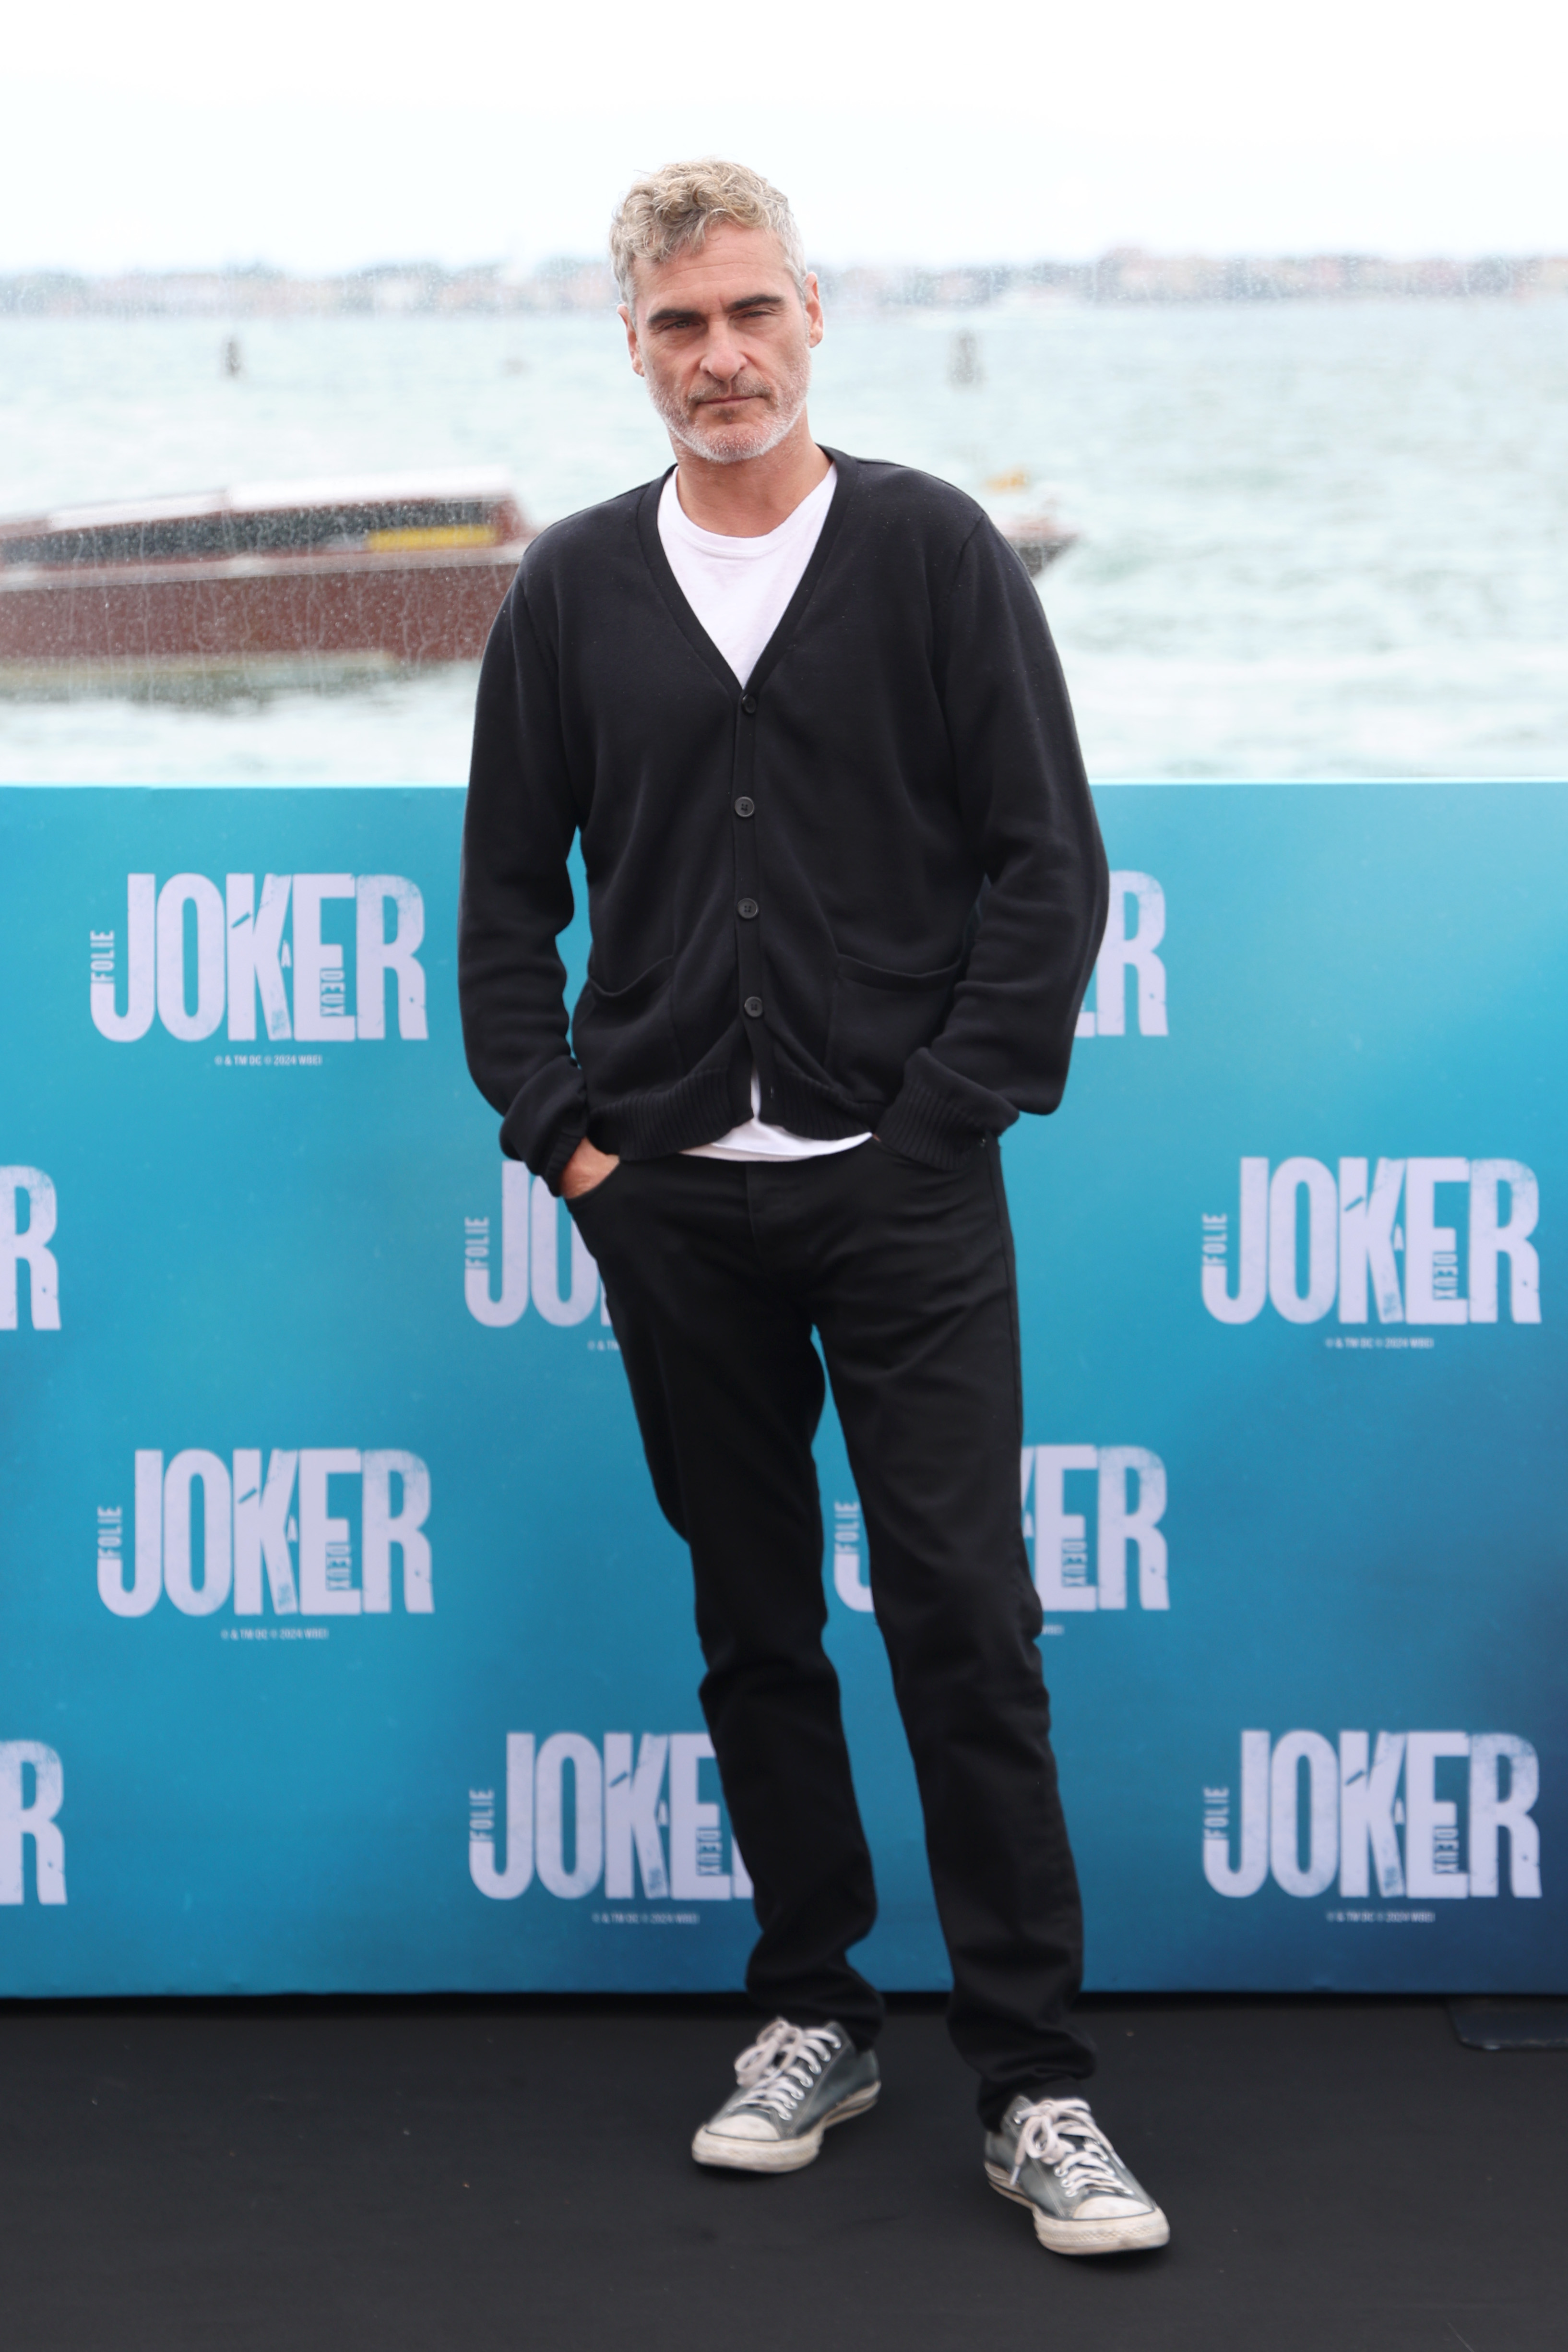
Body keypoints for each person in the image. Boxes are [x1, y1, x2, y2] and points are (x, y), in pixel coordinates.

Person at [458, 158, 1168, 2259]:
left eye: (749, 312)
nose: (720, 358)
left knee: (964, 1614)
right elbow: (505, 904)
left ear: (813, 317)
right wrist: (571, 1143)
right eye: (678, 326)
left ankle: (1034, 2078)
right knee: (755, 1624)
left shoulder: (937, 551)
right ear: (632, 348)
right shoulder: (571, 589)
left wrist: (943, 1119)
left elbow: (1051, 866)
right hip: (671, 1201)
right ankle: (811, 2009)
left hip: (905, 1194)